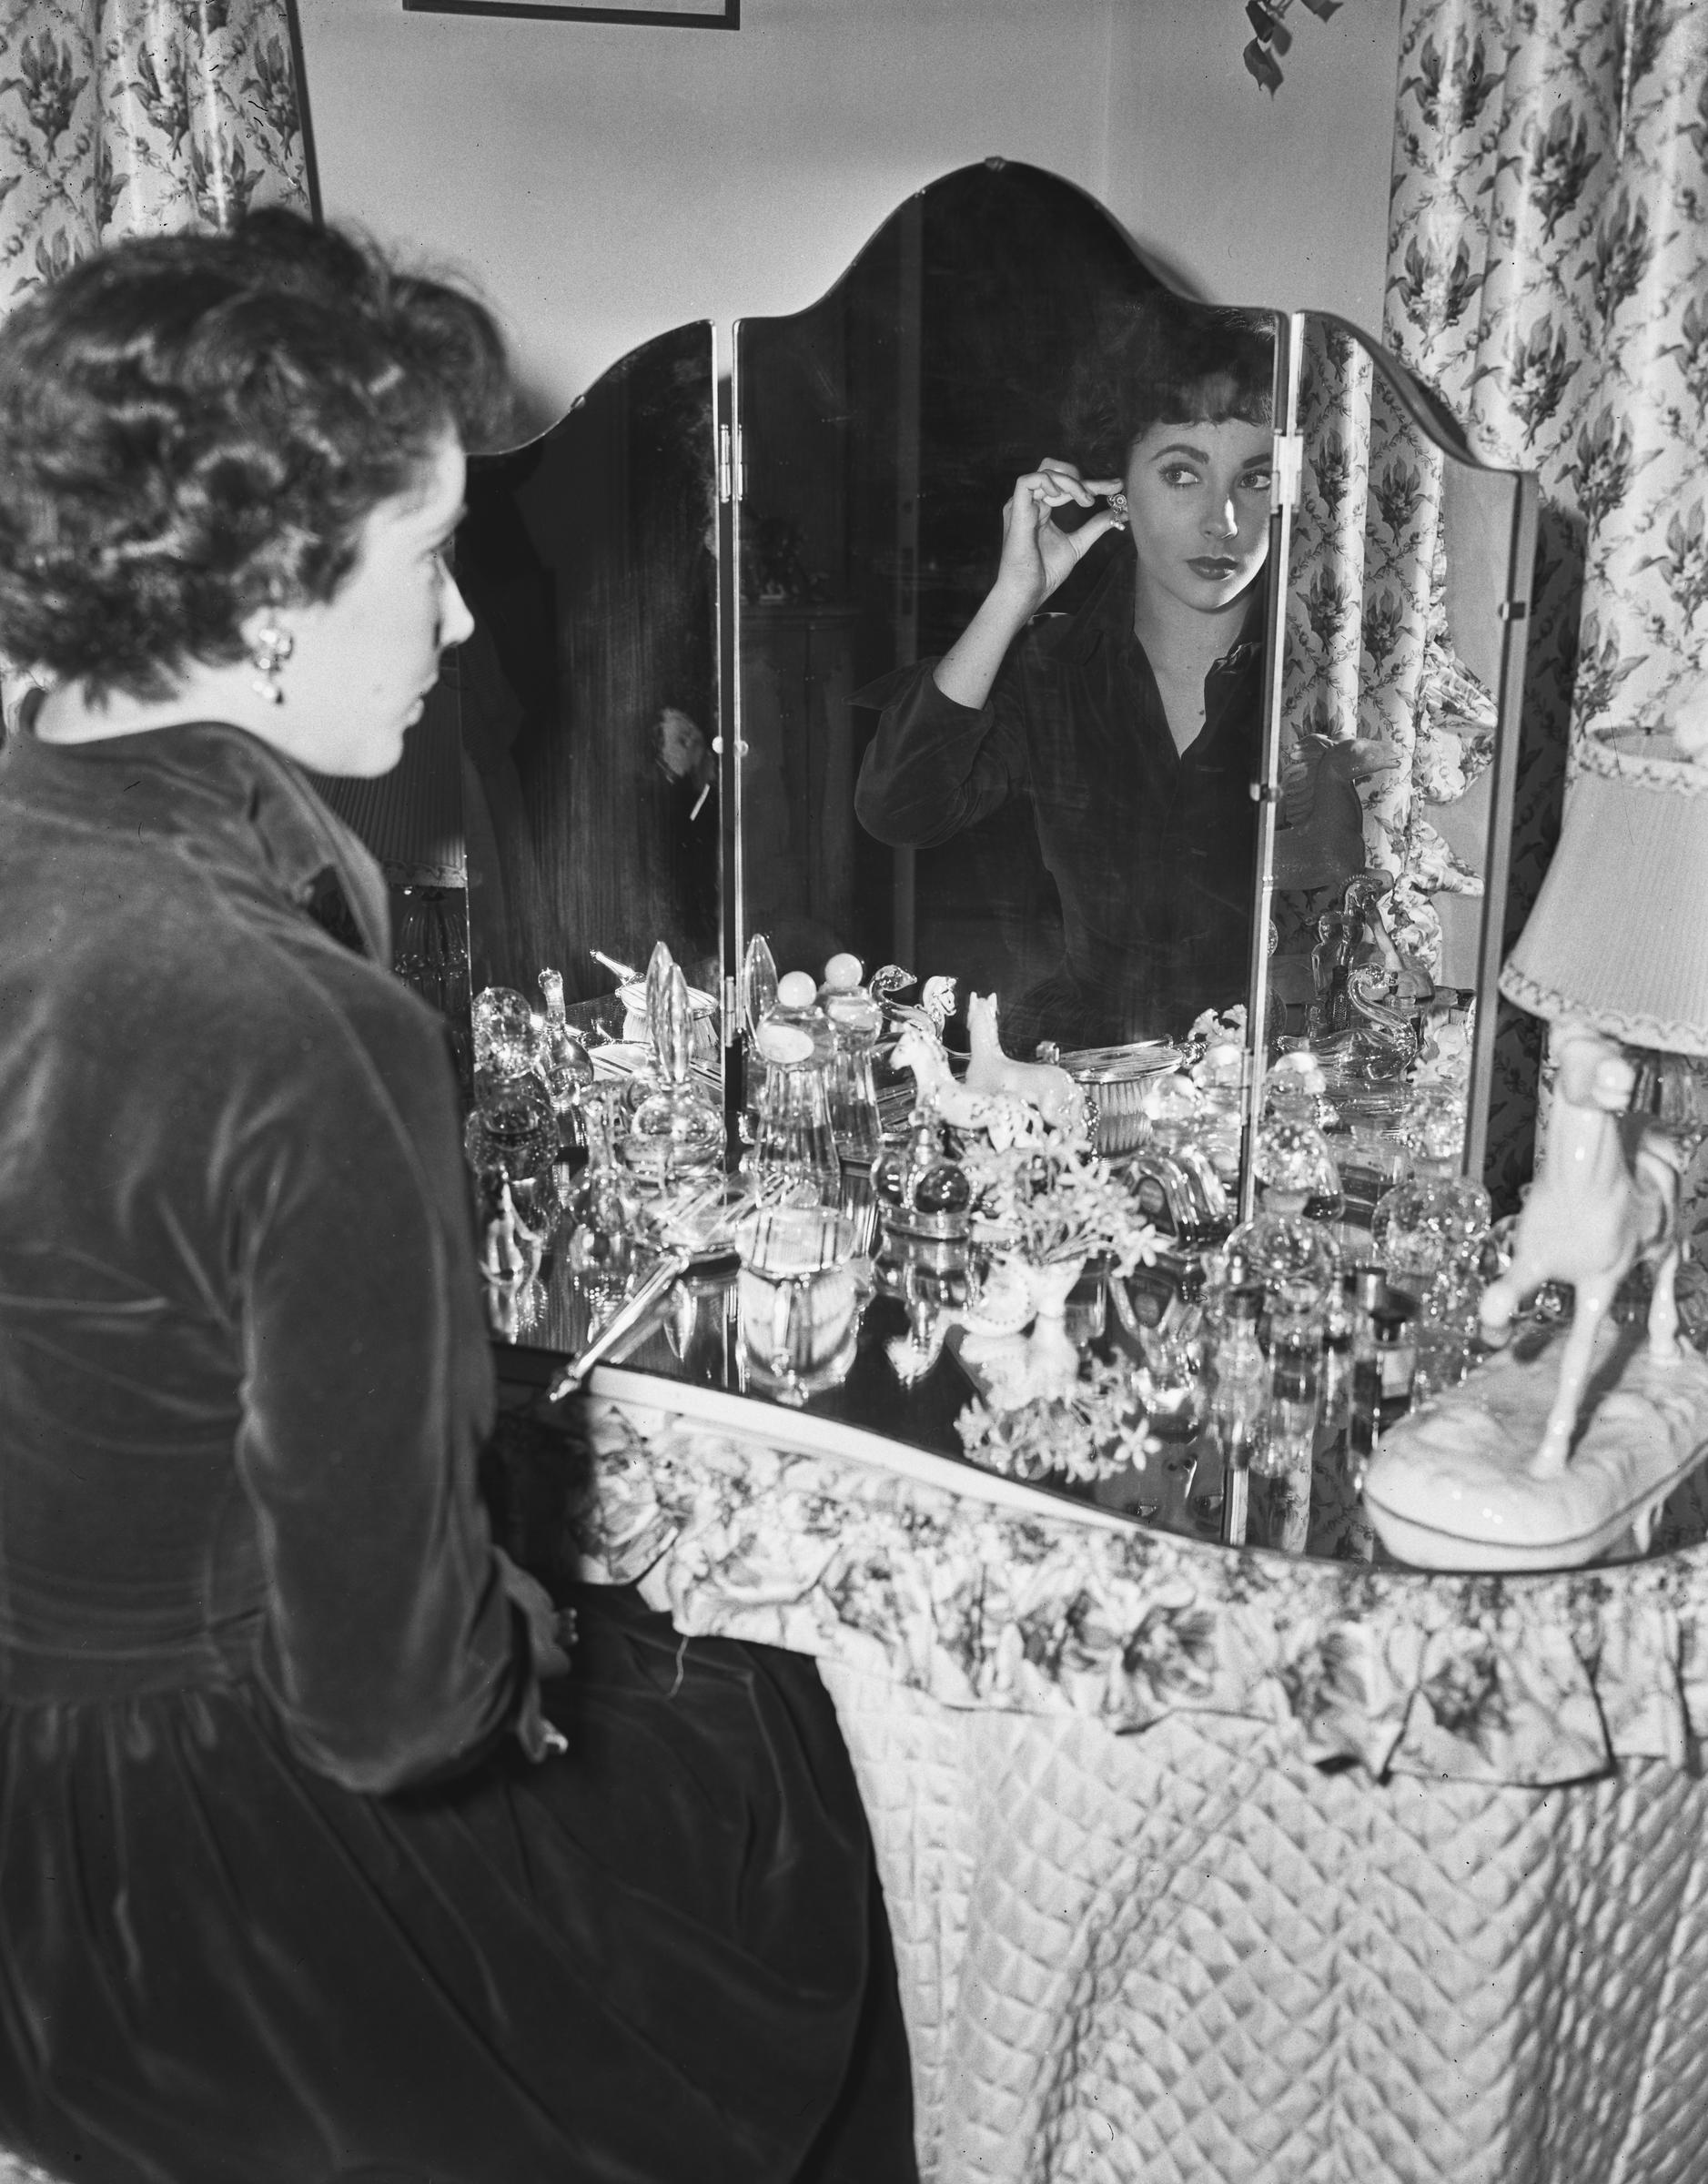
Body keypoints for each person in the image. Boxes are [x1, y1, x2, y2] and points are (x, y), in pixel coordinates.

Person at [0, 212, 914, 2184]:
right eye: (427, 561)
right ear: (265, 604)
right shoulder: (299, 1029)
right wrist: (528, 1637)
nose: (471, 623)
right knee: (784, 1793)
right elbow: (389, 1712)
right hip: (202, 1914)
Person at [854, 290, 1276, 1051]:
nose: (1225, 521)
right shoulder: (1052, 668)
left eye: (1254, 478)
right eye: (1182, 474)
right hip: (1077, 1069)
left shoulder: (1323, 671)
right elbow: (902, 809)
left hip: (1263, 1083)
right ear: (1119, 488)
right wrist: (1013, 598)